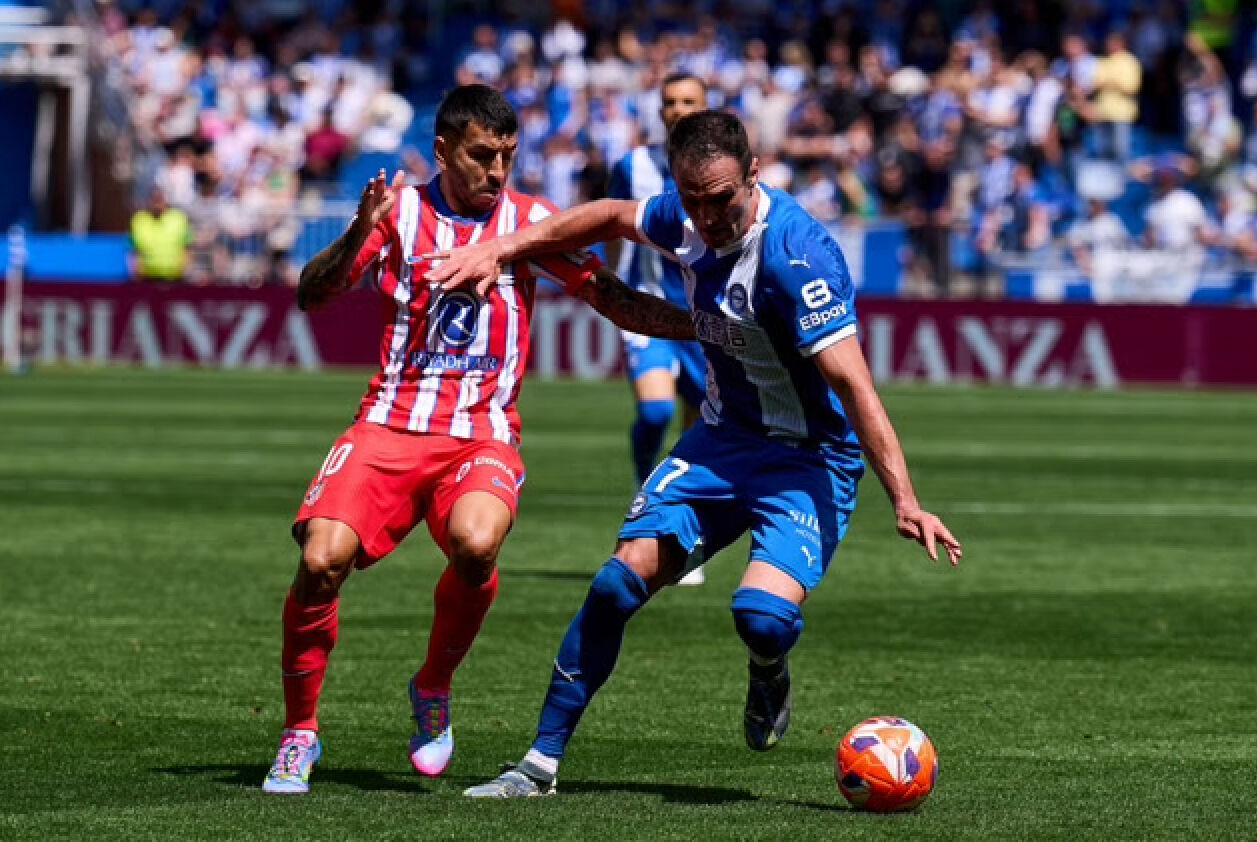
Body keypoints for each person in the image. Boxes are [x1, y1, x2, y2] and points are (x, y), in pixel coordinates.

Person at [422, 110, 962, 798]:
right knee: (617, 583)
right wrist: (503, 248)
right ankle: (539, 765)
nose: (705, 216)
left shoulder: (798, 257)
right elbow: (611, 216)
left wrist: (906, 500)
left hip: (809, 460)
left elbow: (855, 386)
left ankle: (769, 669)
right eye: (693, 199)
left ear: (755, 175)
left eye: (721, 199)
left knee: (761, 618)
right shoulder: (682, 210)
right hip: (721, 441)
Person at [261, 84, 694, 795]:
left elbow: (611, 297)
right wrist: (354, 232)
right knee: (320, 560)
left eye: (508, 157)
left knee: (476, 542)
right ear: (442, 152)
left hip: (480, 434)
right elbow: (314, 294)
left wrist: (708, 329)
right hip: (389, 423)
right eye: (482, 156)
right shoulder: (397, 213)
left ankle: (433, 686)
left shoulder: (529, 223)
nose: (497, 172)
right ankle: (299, 733)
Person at [605, 72, 710, 585]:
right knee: (655, 410)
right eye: (670, 101)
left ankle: (677, 532)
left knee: (698, 430)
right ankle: (644, 496)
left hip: (705, 319)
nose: (678, 109)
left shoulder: (722, 168)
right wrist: (609, 288)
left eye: (689, 100)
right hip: (648, 313)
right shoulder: (634, 167)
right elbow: (609, 227)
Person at [129, 186, 190, 283]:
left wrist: (183, 272)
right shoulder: (139, 220)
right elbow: (133, 251)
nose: (157, 202)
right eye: (154, 199)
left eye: (160, 198)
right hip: (147, 280)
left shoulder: (179, 218)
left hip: (175, 280)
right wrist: (137, 275)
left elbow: (187, 248)